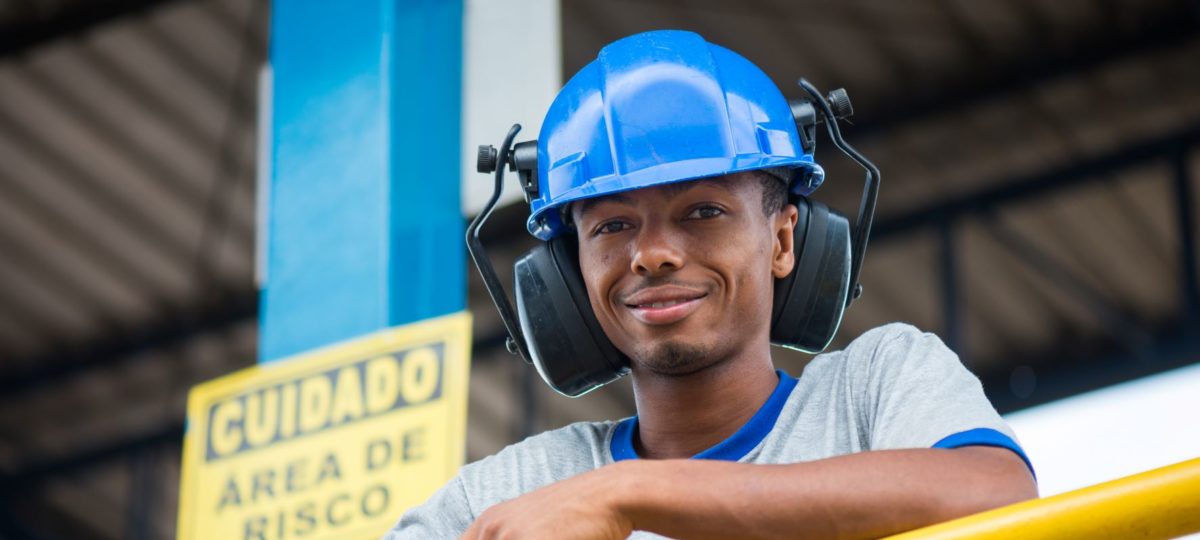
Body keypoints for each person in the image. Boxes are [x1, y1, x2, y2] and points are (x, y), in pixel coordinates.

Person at [384, 30, 1037, 540]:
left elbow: (991, 491)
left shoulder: (873, 388)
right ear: (567, 272)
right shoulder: (511, 486)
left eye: (702, 212)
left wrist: (626, 495)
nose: (654, 254)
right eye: (612, 225)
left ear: (783, 241)